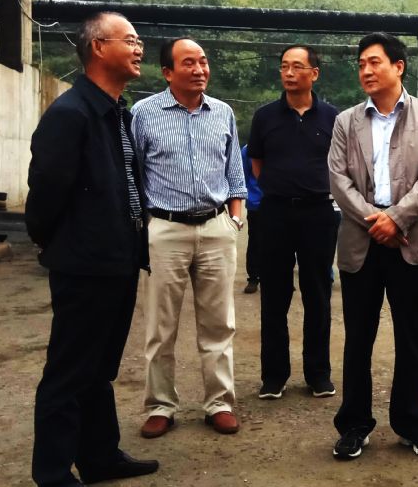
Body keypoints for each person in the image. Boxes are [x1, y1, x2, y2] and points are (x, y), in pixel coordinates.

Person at [26, 12, 158, 487]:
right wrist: (58, 245)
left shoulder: (115, 112)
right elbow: (45, 194)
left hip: (118, 260)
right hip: (85, 264)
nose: (139, 48)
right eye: (130, 40)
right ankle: (55, 482)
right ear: (98, 47)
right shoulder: (70, 114)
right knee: (68, 373)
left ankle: (100, 456)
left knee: (100, 368)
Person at [328, 32, 418, 460]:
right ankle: (354, 425)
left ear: (399, 67)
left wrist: (396, 218)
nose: (365, 70)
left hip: (412, 239)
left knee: (413, 337)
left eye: (374, 62)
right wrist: (374, 220)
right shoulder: (346, 122)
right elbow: (338, 179)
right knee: (358, 337)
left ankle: (411, 423)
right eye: (361, 63)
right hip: (361, 240)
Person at [131, 38, 247, 438]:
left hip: (216, 228)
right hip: (165, 230)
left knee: (219, 324)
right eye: (188, 63)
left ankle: (219, 402)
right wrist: (145, 226)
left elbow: (235, 173)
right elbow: (134, 175)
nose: (199, 70)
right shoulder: (144, 114)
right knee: (160, 326)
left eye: (203, 61)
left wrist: (234, 220)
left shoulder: (223, 112)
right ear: (167, 72)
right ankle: (160, 405)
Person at [248, 45, 339, 400]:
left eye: (297, 66)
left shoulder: (332, 117)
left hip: (319, 213)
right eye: (284, 66)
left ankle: (318, 374)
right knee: (274, 293)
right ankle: (274, 376)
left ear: (314, 73)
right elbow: (257, 162)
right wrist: (280, 187)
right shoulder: (265, 116)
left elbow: (341, 162)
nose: (289, 73)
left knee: (318, 293)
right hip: (275, 213)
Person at [241, 142, 263, 294]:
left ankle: (281, 276)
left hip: (279, 201)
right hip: (256, 203)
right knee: (255, 241)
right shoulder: (248, 149)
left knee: (282, 242)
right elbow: (242, 175)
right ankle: (253, 277)